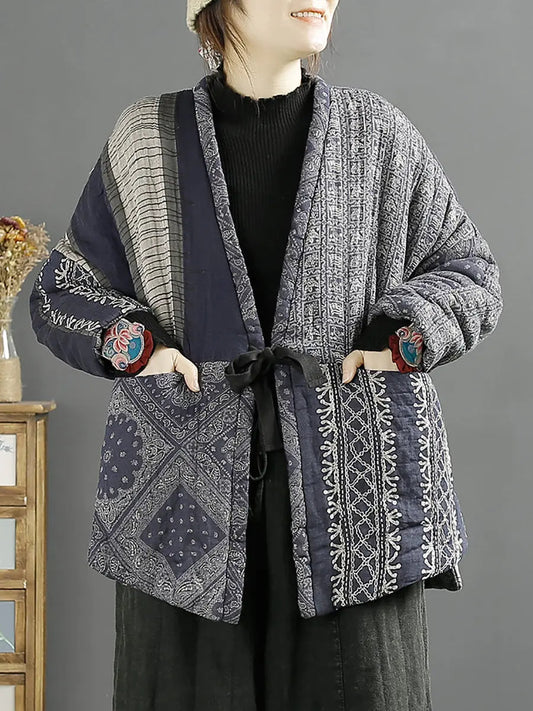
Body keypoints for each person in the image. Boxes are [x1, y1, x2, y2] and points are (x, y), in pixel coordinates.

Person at [29, 1, 503, 709]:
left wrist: (400, 336)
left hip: (357, 506)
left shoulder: (376, 134)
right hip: (180, 509)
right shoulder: (146, 138)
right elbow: (62, 289)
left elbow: (469, 272)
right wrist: (138, 346)